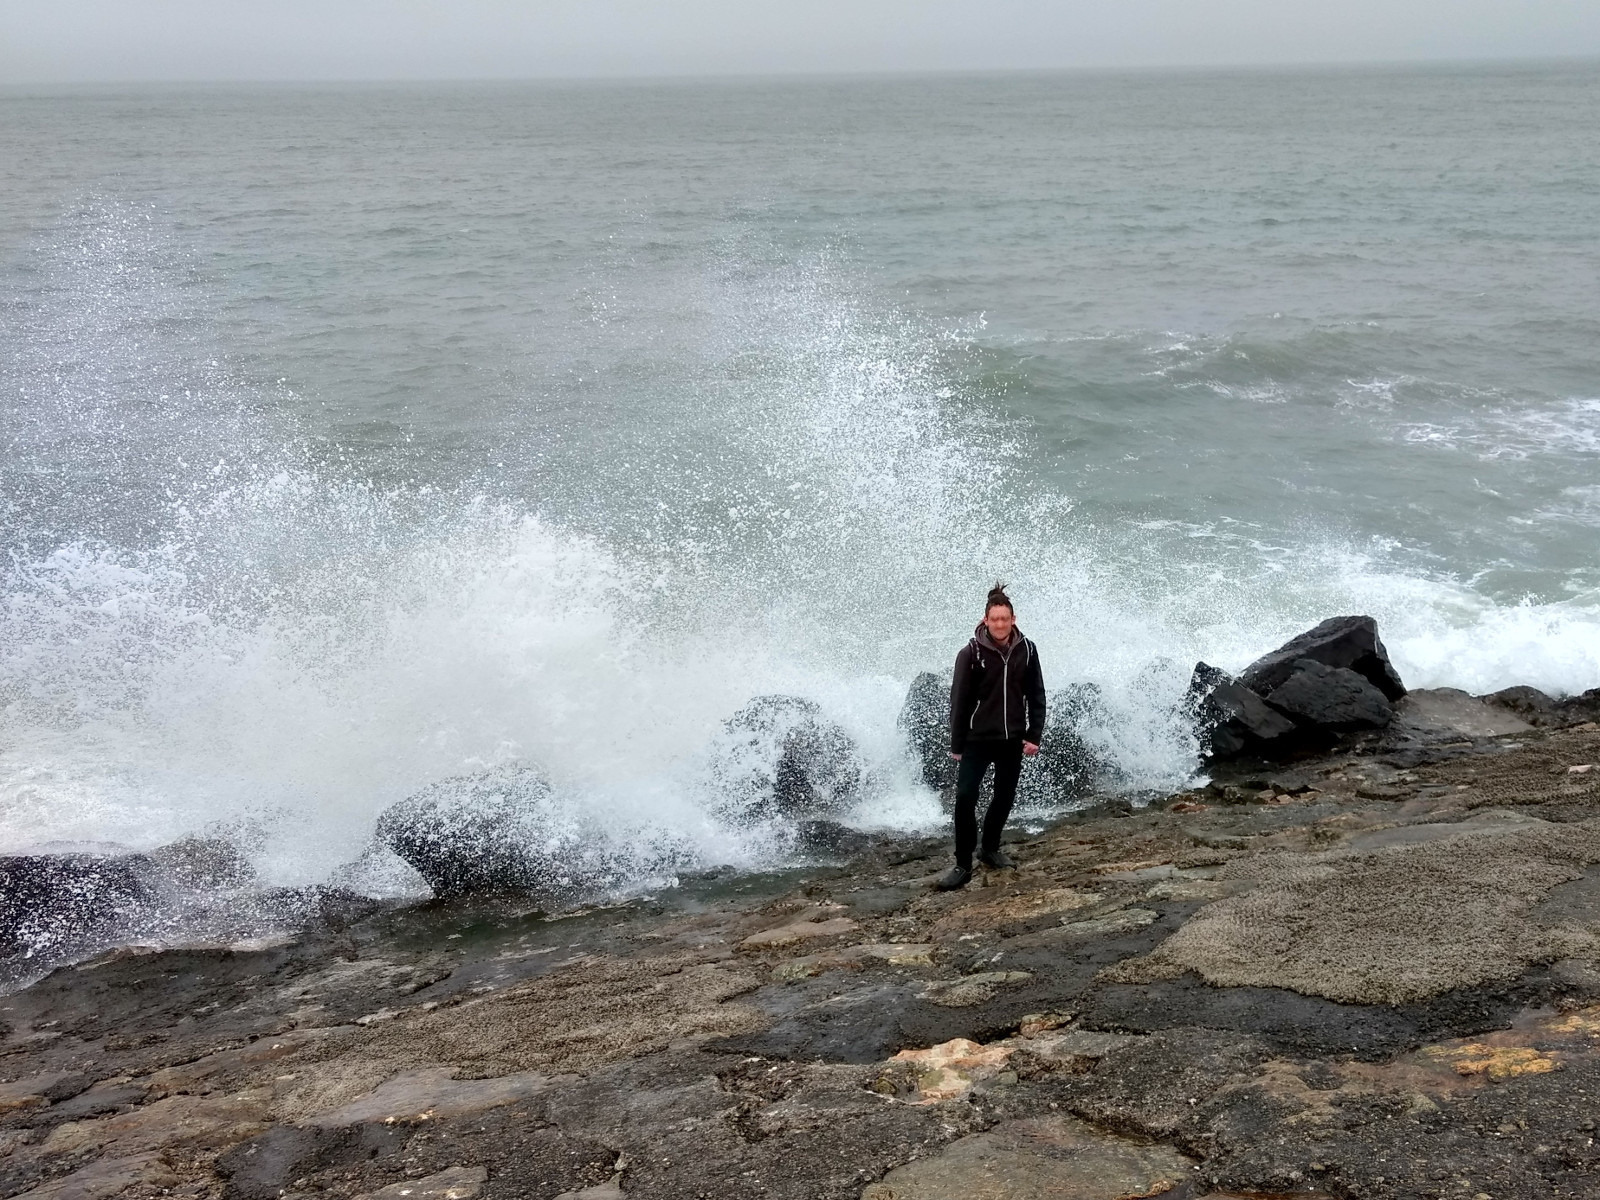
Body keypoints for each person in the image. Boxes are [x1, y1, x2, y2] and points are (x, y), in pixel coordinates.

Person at [936, 583, 1046, 891]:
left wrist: (1033, 734)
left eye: (1004, 619)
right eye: (994, 619)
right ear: (985, 620)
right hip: (976, 740)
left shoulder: (1028, 649)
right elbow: (959, 701)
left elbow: (1036, 693)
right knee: (965, 799)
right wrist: (957, 744)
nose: (999, 624)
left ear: (1013, 619)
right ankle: (962, 864)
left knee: (1005, 796)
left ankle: (990, 847)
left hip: (1012, 738)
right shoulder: (970, 653)